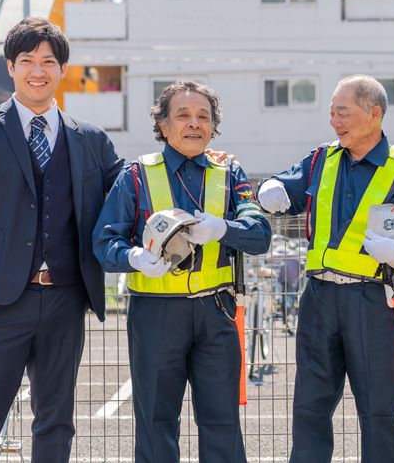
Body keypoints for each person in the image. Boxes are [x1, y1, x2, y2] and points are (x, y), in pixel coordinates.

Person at [0, 17, 124, 462]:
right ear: (10, 67)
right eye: (27, 61)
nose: (37, 71)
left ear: (63, 70)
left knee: (56, 422)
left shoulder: (91, 139)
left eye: (48, 62)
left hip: (64, 300)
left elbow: (129, 190)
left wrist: (186, 159)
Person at [257, 75, 394, 463]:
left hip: (374, 302)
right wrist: (270, 189)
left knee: (378, 414)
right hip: (319, 299)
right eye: (331, 113)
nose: (334, 122)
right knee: (309, 408)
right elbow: (283, 188)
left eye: (343, 113)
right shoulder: (322, 159)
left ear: (374, 113)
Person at [93, 80, 271, 463]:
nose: (194, 123)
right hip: (155, 314)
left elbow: (260, 234)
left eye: (203, 116)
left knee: (223, 425)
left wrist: (224, 228)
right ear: (163, 125)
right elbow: (104, 243)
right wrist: (134, 257)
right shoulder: (136, 175)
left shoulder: (230, 172)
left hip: (217, 313)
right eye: (183, 115)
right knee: (155, 425)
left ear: (213, 125)